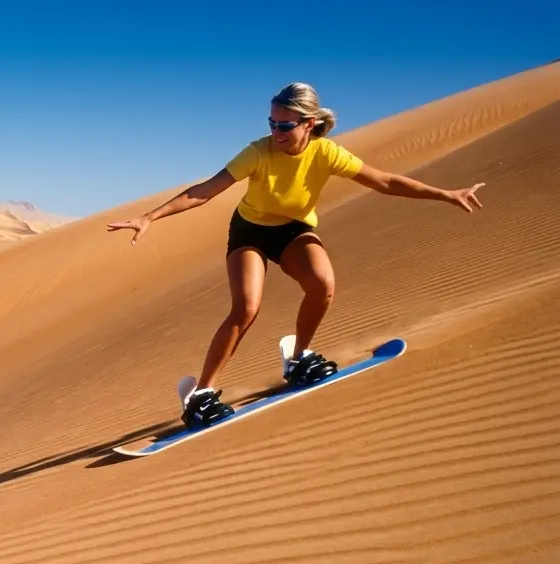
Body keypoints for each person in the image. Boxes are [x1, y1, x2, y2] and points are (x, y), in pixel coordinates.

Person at [106, 82, 485, 429]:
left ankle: (299, 357)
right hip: (249, 231)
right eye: (272, 123)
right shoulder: (258, 152)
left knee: (323, 285)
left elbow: (384, 181)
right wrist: (149, 217)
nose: (276, 132)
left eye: (285, 126)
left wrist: (446, 194)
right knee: (246, 308)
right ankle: (201, 394)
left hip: (292, 230)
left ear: (310, 123)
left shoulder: (327, 153)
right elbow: (205, 190)